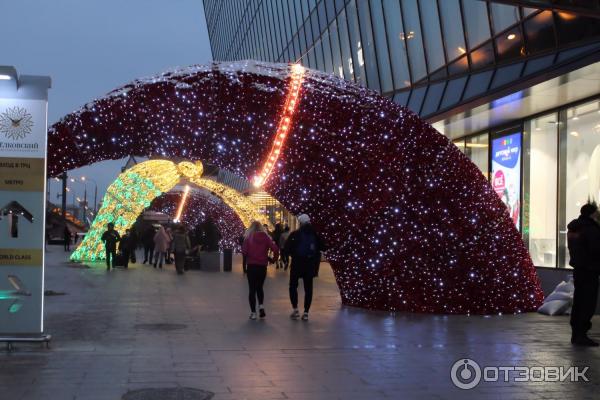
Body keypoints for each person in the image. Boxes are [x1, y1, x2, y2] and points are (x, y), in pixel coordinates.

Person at [567, 203, 600, 346]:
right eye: (597, 211)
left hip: (579, 269)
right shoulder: (590, 229)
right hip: (590, 270)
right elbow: (596, 250)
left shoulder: (574, 228)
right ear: (592, 213)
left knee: (579, 301)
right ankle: (581, 334)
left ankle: (576, 333)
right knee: (587, 302)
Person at [284, 214, 325, 321]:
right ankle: (306, 312)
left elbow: (286, 249)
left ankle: (295, 309)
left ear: (300, 223)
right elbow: (323, 247)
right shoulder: (315, 234)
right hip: (310, 264)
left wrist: (293, 255)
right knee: (308, 288)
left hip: (297, 264)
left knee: (293, 286)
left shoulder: (295, 234)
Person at [242, 221, 279, 320]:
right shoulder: (266, 237)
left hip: (251, 266)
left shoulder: (248, 238)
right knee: (260, 287)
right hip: (262, 267)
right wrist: (273, 260)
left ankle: (253, 313)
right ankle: (261, 306)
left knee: (252, 289)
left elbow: (244, 252)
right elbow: (275, 249)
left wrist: (244, 267)